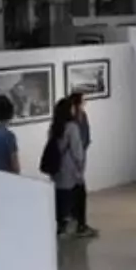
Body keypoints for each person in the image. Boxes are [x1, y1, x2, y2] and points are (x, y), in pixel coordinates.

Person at [49, 97, 94, 237]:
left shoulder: (55, 127)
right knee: (79, 197)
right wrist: (81, 167)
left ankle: (61, 227)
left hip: (57, 170)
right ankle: (80, 227)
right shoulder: (72, 128)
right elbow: (77, 152)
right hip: (72, 170)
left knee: (61, 199)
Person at [69, 93, 97, 237]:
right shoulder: (71, 121)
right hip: (73, 160)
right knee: (78, 190)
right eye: (84, 100)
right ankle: (78, 223)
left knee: (77, 189)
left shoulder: (82, 116)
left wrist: (83, 150)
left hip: (80, 156)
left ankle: (77, 222)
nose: (86, 102)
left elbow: (85, 136)